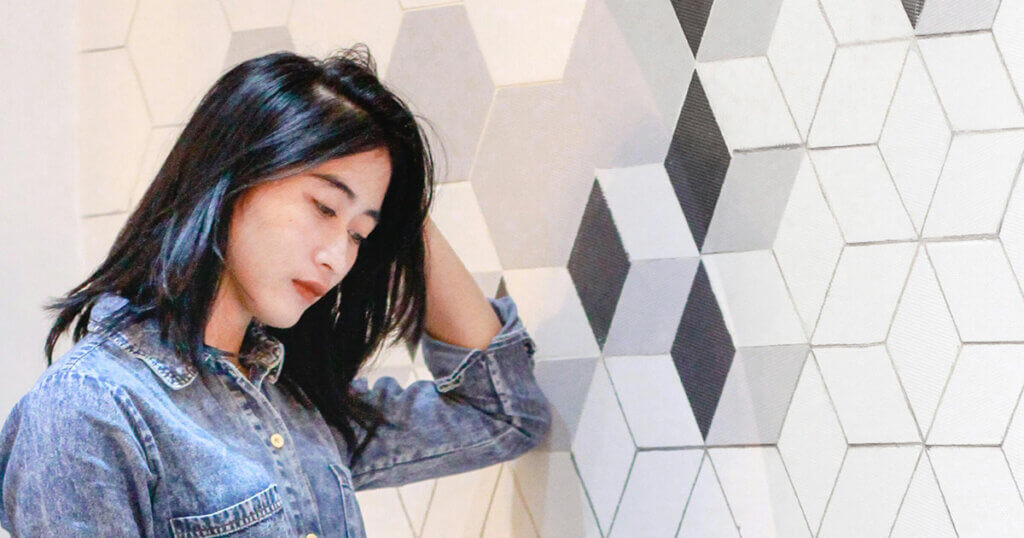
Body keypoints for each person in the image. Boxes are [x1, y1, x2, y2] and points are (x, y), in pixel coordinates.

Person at [0, 46, 551, 537]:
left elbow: (502, 414)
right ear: (230, 177)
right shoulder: (89, 409)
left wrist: (402, 205)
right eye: (325, 208)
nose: (337, 258)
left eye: (359, 234)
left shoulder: (298, 404)